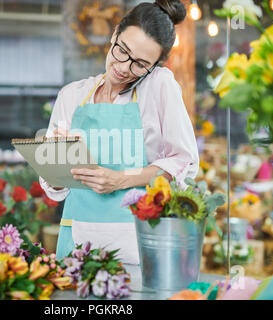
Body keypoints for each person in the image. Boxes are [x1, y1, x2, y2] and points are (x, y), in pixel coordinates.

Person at [39, 0, 199, 264]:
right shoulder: (71, 96)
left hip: (137, 241)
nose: (124, 67)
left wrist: (121, 179)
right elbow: (54, 187)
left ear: (155, 65)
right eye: (122, 50)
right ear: (114, 35)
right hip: (76, 237)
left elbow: (183, 163)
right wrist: (56, 162)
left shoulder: (158, 86)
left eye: (140, 64)